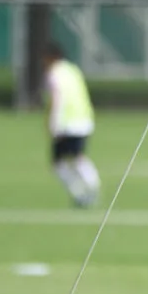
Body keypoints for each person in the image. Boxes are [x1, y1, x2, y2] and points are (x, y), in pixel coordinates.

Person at [43, 43, 100, 208]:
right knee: (77, 157)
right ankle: (89, 187)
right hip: (84, 120)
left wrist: (53, 123)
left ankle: (82, 191)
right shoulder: (73, 70)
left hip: (67, 124)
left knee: (59, 163)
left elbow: (57, 100)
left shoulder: (54, 74)